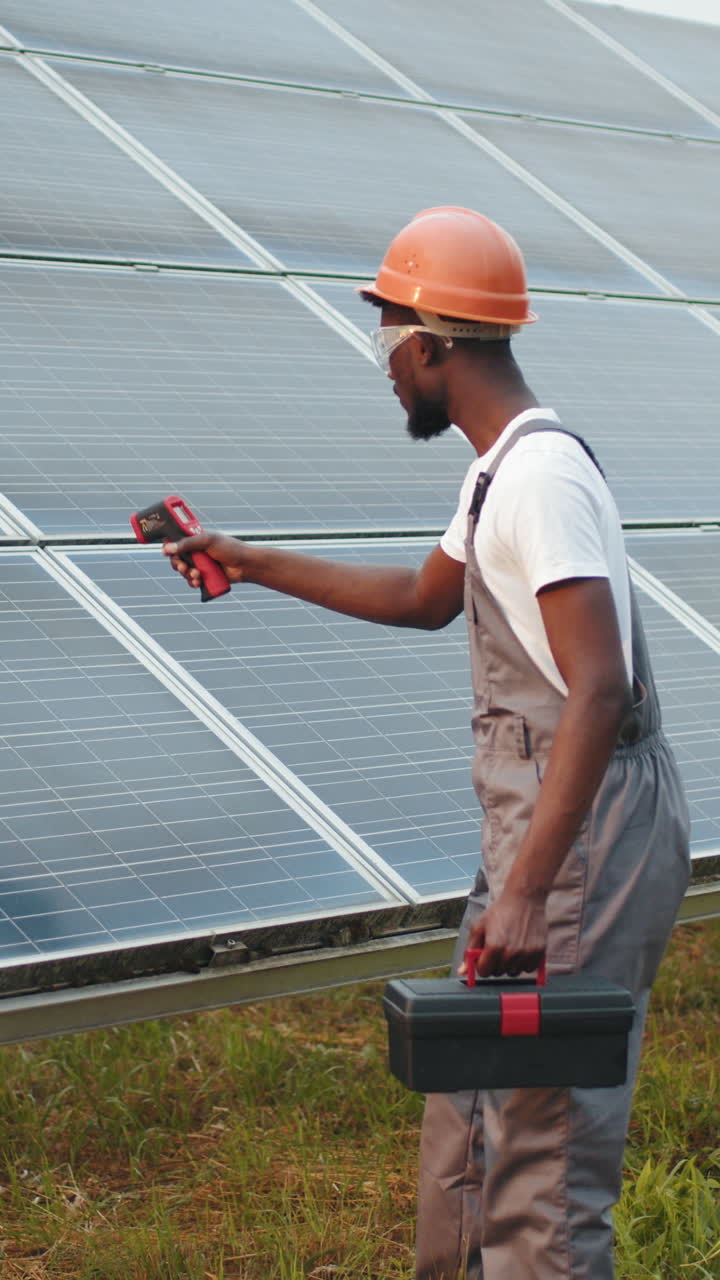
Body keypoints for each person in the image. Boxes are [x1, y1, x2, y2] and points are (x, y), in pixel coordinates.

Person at [163, 207, 691, 1279]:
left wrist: (531, 887)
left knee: (542, 1155)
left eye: (388, 338)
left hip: (579, 834)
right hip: (551, 826)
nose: (385, 365)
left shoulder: (538, 479)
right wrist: (247, 558)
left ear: (437, 343)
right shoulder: (497, 469)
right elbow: (421, 595)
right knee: (471, 1111)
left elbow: (598, 686)